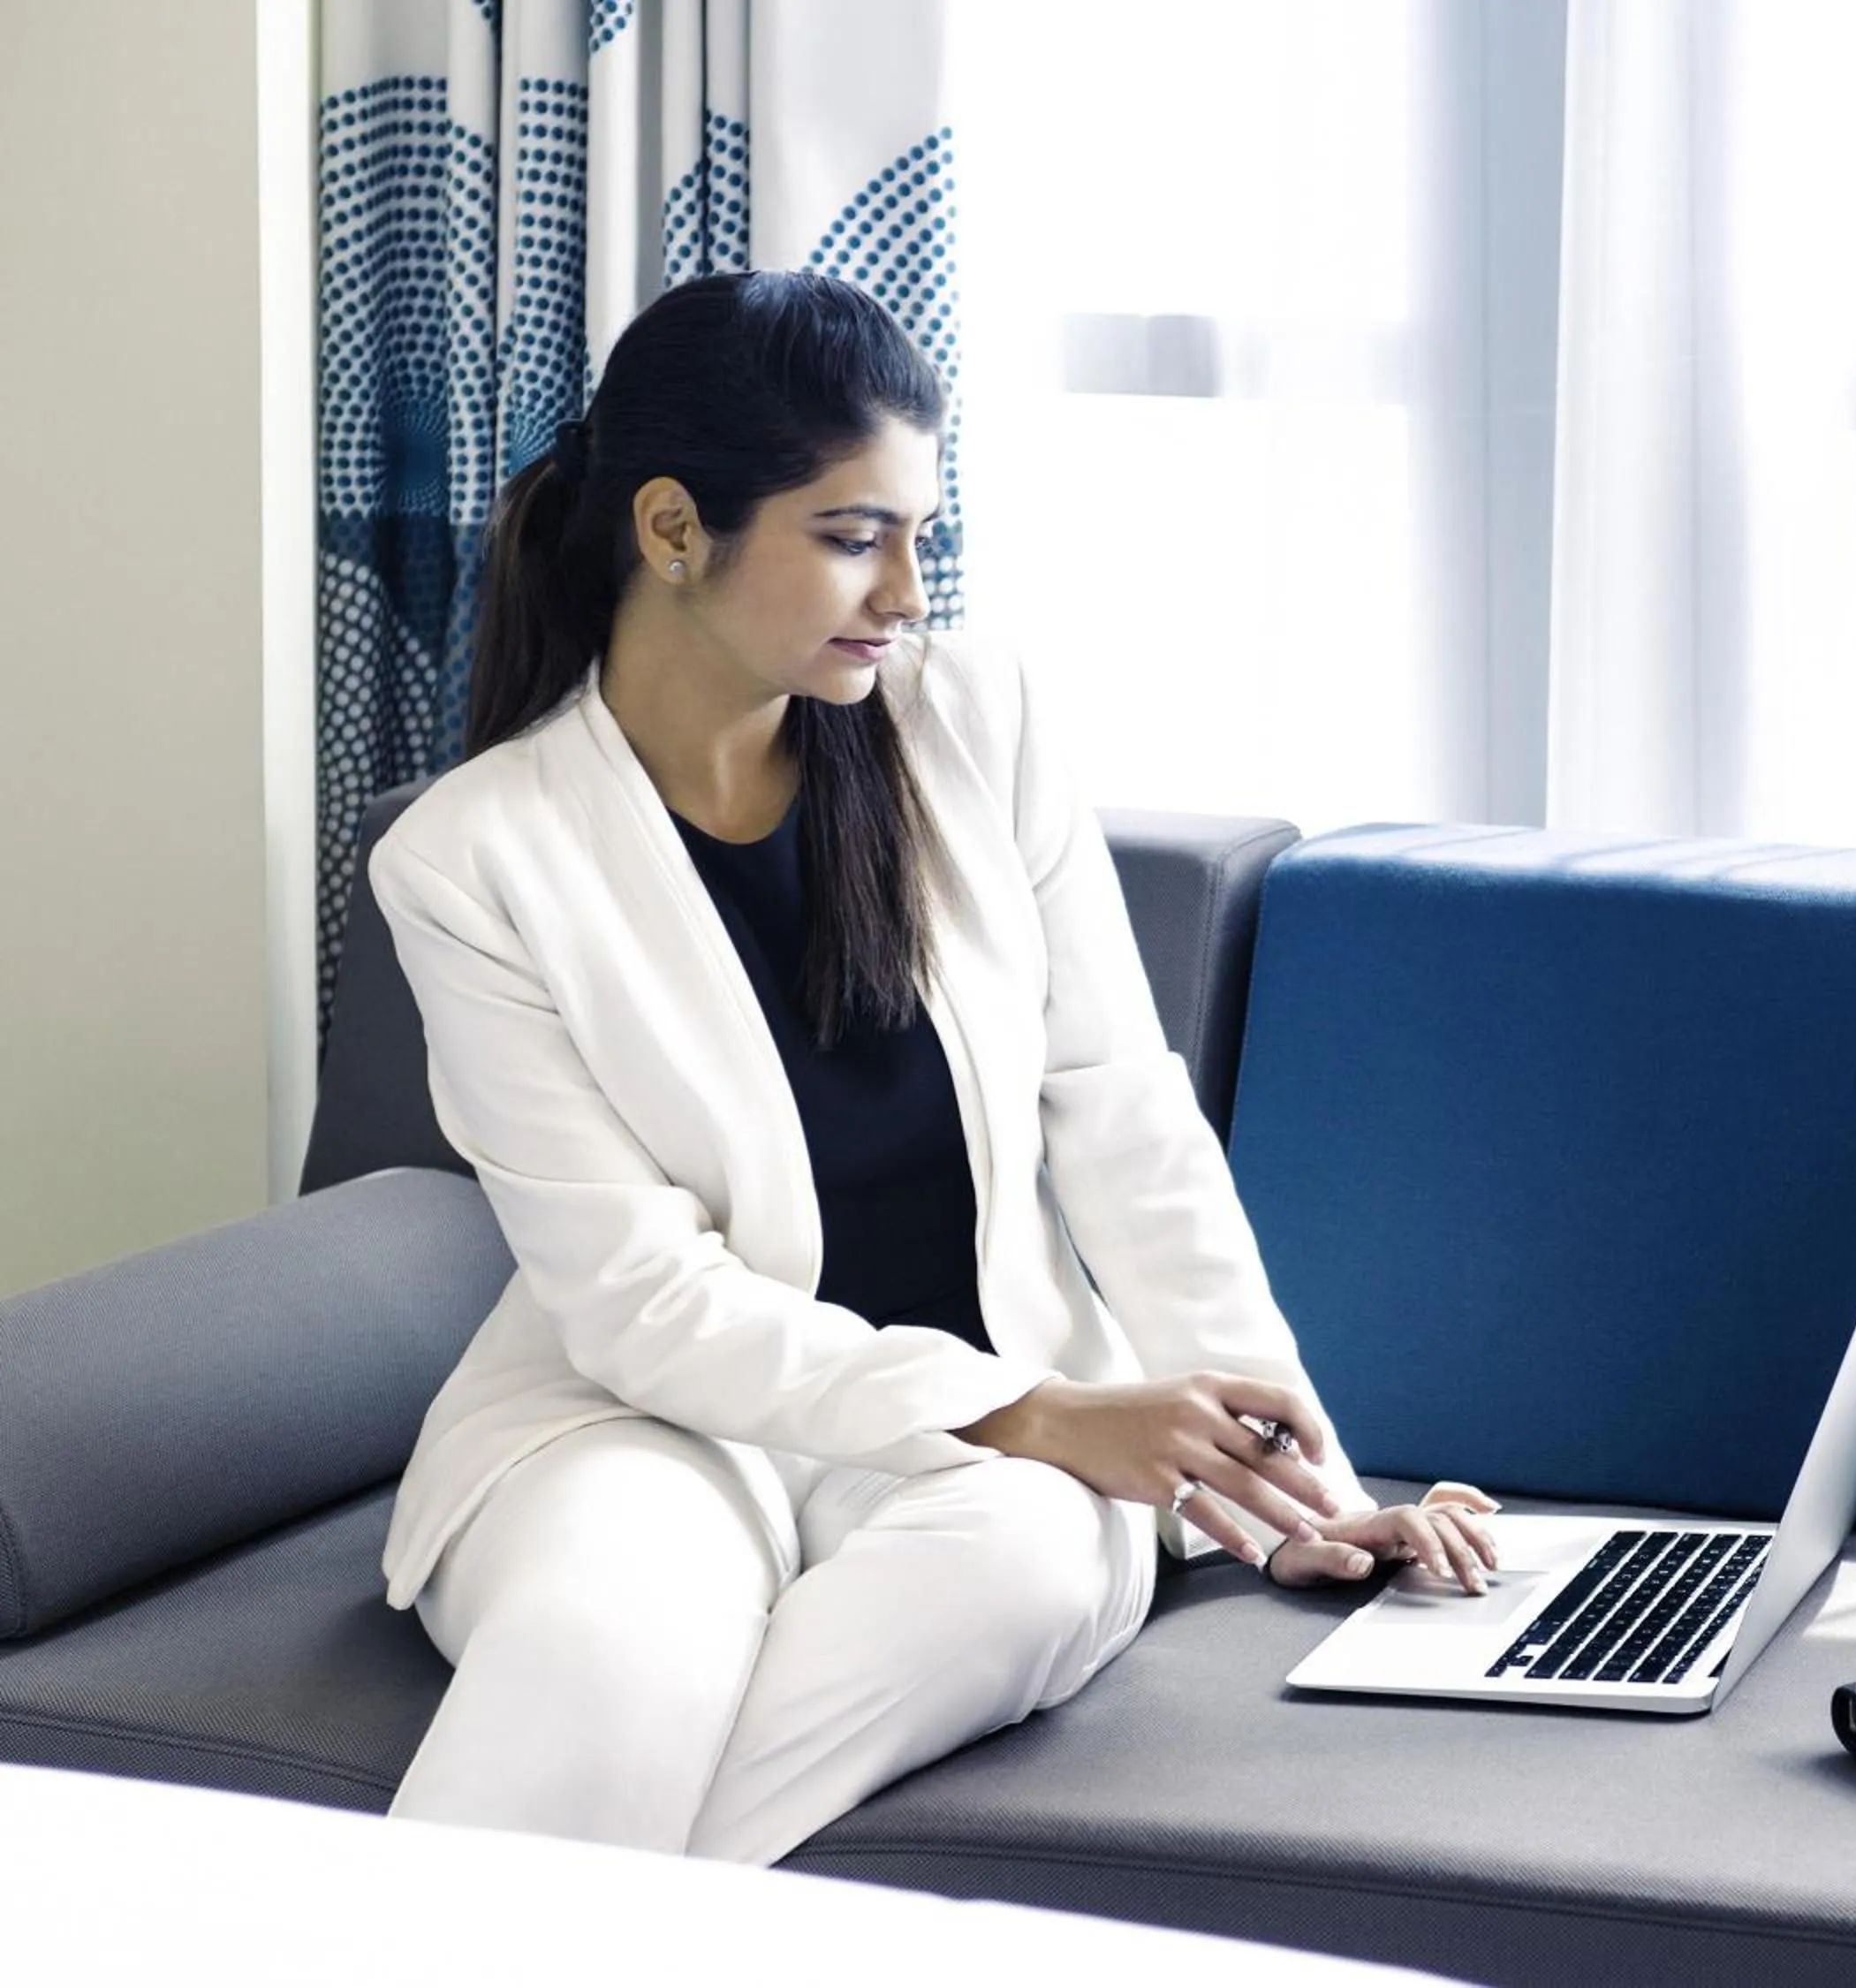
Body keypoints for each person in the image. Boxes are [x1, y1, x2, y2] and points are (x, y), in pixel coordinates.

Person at [369, 269, 1498, 1866]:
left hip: (1001, 1465)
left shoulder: (975, 722)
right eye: (852, 534)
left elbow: (1128, 1127)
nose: (905, 591)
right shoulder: (471, 861)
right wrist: (1031, 1408)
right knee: (611, 1651)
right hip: (639, 1419)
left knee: (1026, 1562)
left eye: (918, 534)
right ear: (675, 528)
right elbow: (636, 1301)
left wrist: (1303, 1486)